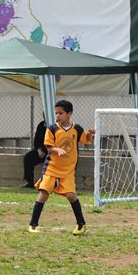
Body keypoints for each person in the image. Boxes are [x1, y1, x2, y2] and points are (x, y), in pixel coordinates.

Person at [27, 100, 95, 234]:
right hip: (51, 168)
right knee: (43, 194)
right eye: (56, 113)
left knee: (71, 195)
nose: (57, 116)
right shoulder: (52, 129)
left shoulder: (77, 129)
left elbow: (87, 140)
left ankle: (81, 224)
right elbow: (48, 147)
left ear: (69, 114)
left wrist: (91, 134)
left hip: (68, 171)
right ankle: (33, 224)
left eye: (61, 113)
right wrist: (57, 150)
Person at [21, 118, 47, 189]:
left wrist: (47, 150)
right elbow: (36, 140)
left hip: (52, 152)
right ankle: (29, 182)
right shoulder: (42, 125)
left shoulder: (58, 126)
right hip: (41, 151)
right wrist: (39, 150)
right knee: (28, 157)